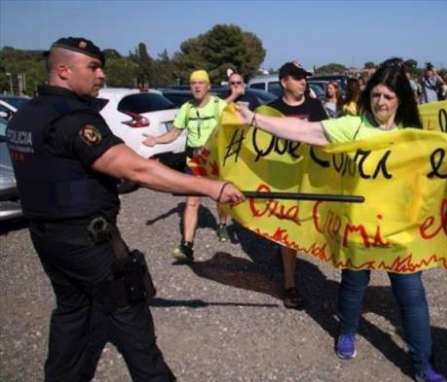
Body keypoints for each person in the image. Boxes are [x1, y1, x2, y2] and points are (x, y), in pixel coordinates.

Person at [6, 37, 244, 382]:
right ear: (63, 70)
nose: (101, 75)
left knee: (73, 311)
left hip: (47, 237)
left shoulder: (26, 115)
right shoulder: (73, 119)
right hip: (87, 239)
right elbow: (137, 170)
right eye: (93, 67)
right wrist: (213, 187)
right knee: (129, 314)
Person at [236, 58, 447, 382]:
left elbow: (444, 162)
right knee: (353, 285)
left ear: (400, 100)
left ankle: (423, 366)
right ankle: (347, 332)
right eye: (376, 95)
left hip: (400, 233)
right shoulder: (353, 127)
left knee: (412, 297)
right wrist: (255, 121)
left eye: (388, 97)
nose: (380, 102)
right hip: (358, 229)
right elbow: (305, 130)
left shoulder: (413, 135)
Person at [143, 70, 231, 258]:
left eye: (201, 83)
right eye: (193, 83)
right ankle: (187, 245)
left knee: (221, 198)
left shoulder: (219, 106)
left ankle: (222, 225)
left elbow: (232, 129)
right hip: (194, 161)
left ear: (208, 86)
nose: (197, 86)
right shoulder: (186, 108)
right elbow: (174, 133)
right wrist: (156, 140)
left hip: (215, 161)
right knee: (191, 202)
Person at [266, 61, 328, 309]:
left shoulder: (314, 105)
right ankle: (290, 286)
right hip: (282, 180)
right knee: (288, 232)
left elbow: (325, 137)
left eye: (305, 77)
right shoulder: (270, 110)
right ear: (284, 82)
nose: (303, 81)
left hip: (310, 180)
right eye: (297, 77)